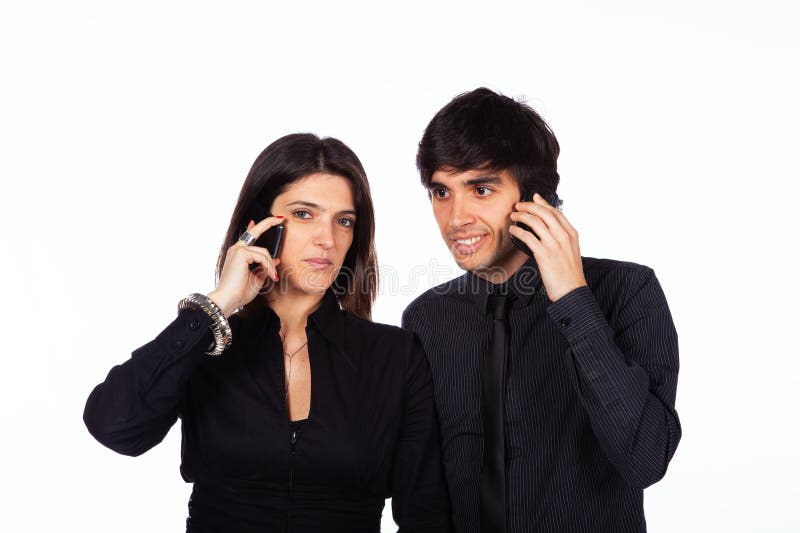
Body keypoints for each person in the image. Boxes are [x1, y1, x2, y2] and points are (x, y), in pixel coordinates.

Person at [84, 133, 452, 533]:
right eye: (304, 214)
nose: (327, 239)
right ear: (259, 226)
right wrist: (218, 306)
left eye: (343, 221)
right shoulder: (205, 347)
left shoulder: (395, 356)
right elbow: (116, 427)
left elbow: (425, 515)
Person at [401, 88, 681, 533]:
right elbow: (423, 495)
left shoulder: (627, 290)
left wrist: (573, 299)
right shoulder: (426, 319)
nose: (455, 218)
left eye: (481, 188)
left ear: (534, 197)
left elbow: (645, 459)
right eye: (441, 191)